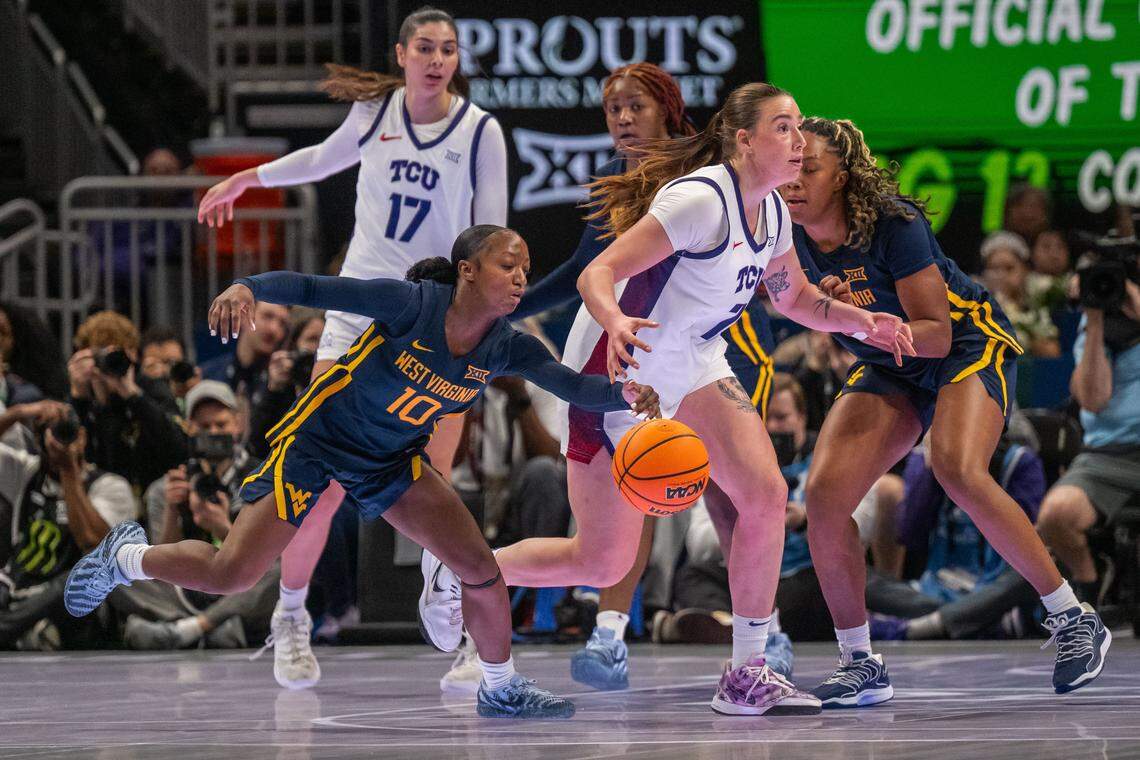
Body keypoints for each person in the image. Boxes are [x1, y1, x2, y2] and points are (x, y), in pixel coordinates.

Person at [420, 82, 914, 716]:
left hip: (694, 360)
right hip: (620, 364)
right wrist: (616, 322)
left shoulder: (773, 211)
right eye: (784, 127)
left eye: (799, 127)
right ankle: (459, 568)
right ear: (745, 140)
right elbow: (596, 272)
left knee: (765, 495)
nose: (800, 140)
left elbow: (793, 298)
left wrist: (861, 322)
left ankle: (747, 673)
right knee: (602, 562)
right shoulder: (700, 200)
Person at [65, 225, 658, 718]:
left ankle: (500, 686)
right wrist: (249, 286)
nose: (522, 277)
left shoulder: (508, 346)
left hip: (390, 461)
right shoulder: (412, 305)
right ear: (468, 271)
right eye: (508, 265)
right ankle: (125, 558)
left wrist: (626, 394)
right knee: (232, 573)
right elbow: (313, 287)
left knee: (478, 568)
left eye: (526, 268)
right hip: (319, 444)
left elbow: (575, 387)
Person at [196, 5, 507, 689]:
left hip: (433, 322)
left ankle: (458, 618)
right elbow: (320, 160)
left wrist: (482, 317)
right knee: (323, 482)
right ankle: (291, 615)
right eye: (425, 48)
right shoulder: (374, 115)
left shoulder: (480, 131)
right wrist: (248, 179)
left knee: (434, 483)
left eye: (448, 49)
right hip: (358, 318)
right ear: (401, 54)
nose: (436, 60)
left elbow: (493, 235)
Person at [779, 116, 1109, 705]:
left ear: (843, 176)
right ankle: (860, 662)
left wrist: (856, 321)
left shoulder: (893, 223)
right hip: (889, 361)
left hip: (962, 345)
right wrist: (836, 316)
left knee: (957, 469)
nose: (793, 179)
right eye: (788, 165)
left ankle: (1072, 616)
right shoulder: (779, 230)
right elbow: (786, 303)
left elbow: (933, 335)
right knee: (825, 500)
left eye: (809, 167)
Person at [115, 381, 274, 651]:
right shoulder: (168, 487)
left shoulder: (262, 479)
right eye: (204, 426)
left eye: (221, 425)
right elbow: (160, 566)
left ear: (237, 424)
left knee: (281, 571)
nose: (213, 433)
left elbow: (265, 557)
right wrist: (172, 509)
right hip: (185, 590)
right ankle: (211, 628)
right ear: (190, 428)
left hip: (242, 588)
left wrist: (223, 527)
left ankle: (188, 629)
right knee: (117, 564)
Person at [1036, 276, 1140, 606]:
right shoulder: (1100, 323)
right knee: (1055, 515)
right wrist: (1094, 320)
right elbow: (1093, 400)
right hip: (1107, 455)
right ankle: (1091, 585)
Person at [0, 400, 135, 649]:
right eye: (52, 431)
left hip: (72, 603)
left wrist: (68, 469)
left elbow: (95, 544)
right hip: (16, 587)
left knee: (75, 578)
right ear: (40, 439)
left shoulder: (110, 486)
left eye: (67, 431)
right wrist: (19, 413)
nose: (61, 438)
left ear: (82, 436)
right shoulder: (26, 471)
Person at [980, 231, 1060, 357]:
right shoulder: (974, 309)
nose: (1001, 275)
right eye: (994, 268)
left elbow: (1052, 351)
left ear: (1024, 270)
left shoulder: (1037, 306)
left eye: (1009, 268)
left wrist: (1029, 340)